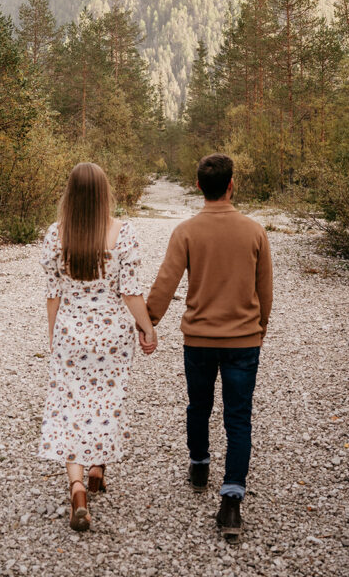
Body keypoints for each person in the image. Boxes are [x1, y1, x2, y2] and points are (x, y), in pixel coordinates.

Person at [145, 153, 272, 540]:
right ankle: (231, 502)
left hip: (197, 340)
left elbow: (165, 283)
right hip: (243, 341)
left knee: (198, 405)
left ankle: (199, 466)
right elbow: (264, 290)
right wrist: (259, 328)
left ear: (199, 186)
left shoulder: (186, 232)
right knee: (238, 417)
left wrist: (147, 320)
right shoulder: (254, 231)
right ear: (232, 185)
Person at [38, 162, 158, 531]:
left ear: (70, 195)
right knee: (105, 402)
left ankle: (77, 487)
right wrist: (147, 327)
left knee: (71, 405)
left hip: (71, 333)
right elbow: (131, 291)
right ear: (105, 193)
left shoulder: (55, 236)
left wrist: (54, 336)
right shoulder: (124, 234)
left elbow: (53, 296)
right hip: (111, 337)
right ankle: (96, 466)